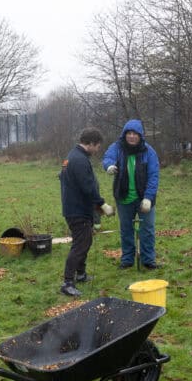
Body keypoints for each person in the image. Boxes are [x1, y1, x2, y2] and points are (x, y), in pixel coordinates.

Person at [60, 127, 114, 296]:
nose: (98, 150)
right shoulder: (79, 160)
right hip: (77, 210)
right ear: (90, 143)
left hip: (76, 208)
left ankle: (81, 274)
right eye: (97, 146)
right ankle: (67, 282)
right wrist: (102, 204)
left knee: (85, 241)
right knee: (80, 245)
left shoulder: (73, 156)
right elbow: (87, 187)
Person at [103, 119, 160, 269]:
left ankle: (148, 260)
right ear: (124, 135)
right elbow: (108, 157)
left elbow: (153, 176)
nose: (132, 136)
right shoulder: (117, 147)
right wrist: (109, 166)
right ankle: (127, 259)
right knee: (126, 229)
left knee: (147, 230)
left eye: (135, 133)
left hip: (144, 199)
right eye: (129, 133)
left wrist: (148, 198)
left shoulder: (149, 152)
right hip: (124, 197)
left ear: (140, 136)